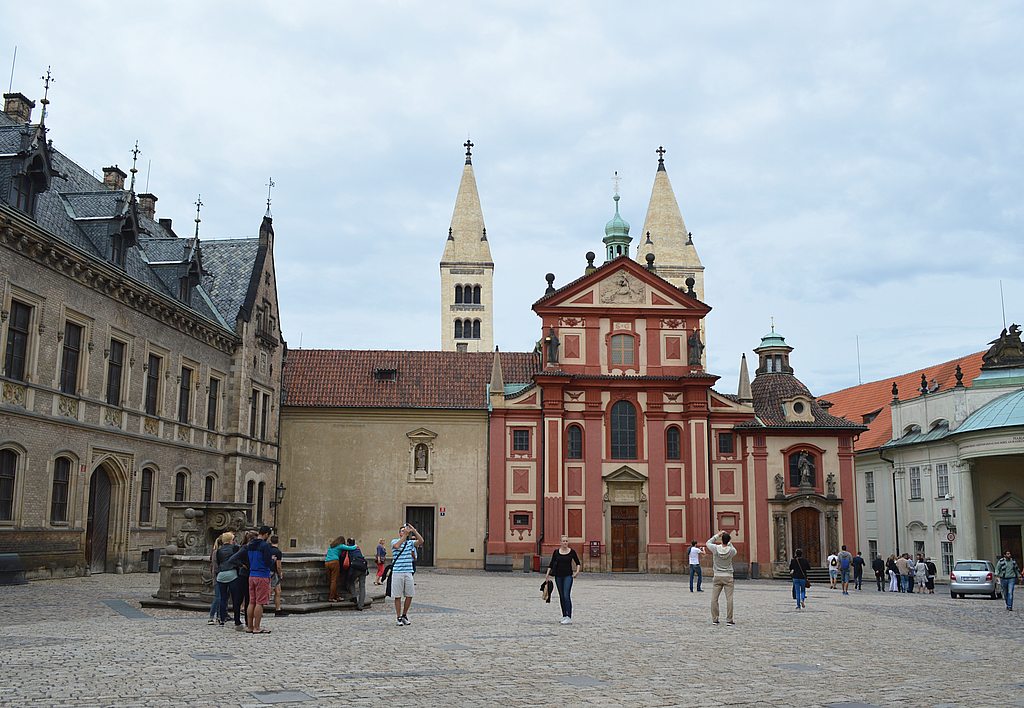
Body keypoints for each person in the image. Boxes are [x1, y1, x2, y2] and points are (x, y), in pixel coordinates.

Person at [390, 523, 423, 626]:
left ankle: (404, 615)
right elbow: (397, 546)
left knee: (410, 595)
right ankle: (398, 616)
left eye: (405, 531)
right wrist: (405, 535)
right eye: (402, 531)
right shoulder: (395, 541)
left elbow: (421, 541)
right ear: (399, 533)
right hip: (397, 572)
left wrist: (414, 531)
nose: (404, 532)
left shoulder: (410, 543)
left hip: (408, 571)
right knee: (397, 596)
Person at [544, 535, 582, 624]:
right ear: (560, 542)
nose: (565, 543)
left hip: (568, 576)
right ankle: (564, 615)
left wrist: (577, 572)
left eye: (566, 541)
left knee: (566, 595)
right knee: (561, 596)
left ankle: (569, 616)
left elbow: (578, 563)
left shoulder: (572, 552)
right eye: (563, 541)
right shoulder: (556, 552)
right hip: (558, 576)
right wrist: (547, 575)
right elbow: (551, 563)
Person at [246, 525, 276, 634]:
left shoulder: (250, 545)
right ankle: (257, 627)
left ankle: (249, 626)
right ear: (267, 534)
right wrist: (272, 560)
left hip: (252, 574)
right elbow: (268, 562)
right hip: (262, 575)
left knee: (251, 601)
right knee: (260, 602)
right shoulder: (265, 546)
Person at [706, 531, 738, 626]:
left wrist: (718, 535)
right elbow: (734, 550)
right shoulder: (731, 551)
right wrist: (729, 542)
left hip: (717, 576)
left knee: (714, 599)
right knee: (729, 599)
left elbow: (708, 542)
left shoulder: (715, 549)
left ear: (721, 540)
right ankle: (729, 619)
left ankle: (715, 619)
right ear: (728, 541)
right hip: (728, 576)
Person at [213, 531, 239, 626]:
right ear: (231, 540)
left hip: (221, 575)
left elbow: (219, 563)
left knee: (223, 598)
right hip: (232, 574)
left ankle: (222, 618)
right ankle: (237, 619)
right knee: (235, 598)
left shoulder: (219, 550)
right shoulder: (234, 548)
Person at [324, 535, 354, 602]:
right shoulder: (340, 545)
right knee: (334, 581)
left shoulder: (331, 546)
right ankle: (331, 597)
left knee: (331, 581)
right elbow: (351, 548)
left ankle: (336, 596)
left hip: (326, 563)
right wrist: (356, 546)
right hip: (334, 562)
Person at [345, 537, 369, 610]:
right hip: (363, 567)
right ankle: (361, 605)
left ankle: (354, 596)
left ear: (348, 543)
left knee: (350, 581)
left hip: (355, 568)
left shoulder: (348, 549)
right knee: (362, 586)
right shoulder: (358, 548)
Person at [269, 535, 287, 617]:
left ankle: (278, 609)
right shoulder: (278, 552)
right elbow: (278, 566)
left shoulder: (268, 550)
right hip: (274, 573)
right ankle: (260, 608)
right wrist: (280, 573)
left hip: (269, 572)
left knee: (278, 591)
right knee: (270, 592)